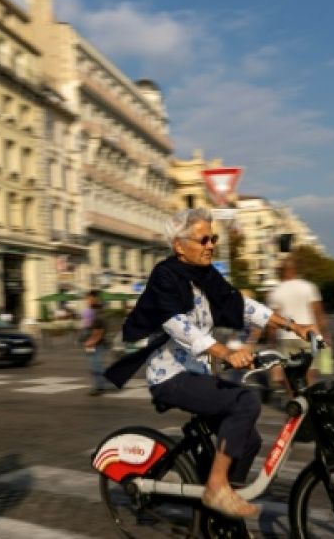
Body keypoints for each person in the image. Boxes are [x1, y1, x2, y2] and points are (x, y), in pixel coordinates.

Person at [105, 208, 318, 519]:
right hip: (170, 376)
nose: (210, 245)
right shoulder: (165, 276)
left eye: (213, 238)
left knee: (248, 440)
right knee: (245, 401)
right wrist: (225, 352)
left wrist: (292, 326)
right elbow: (177, 324)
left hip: (197, 371)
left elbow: (240, 304)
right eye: (203, 239)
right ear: (179, 245)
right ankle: (216, 486)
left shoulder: (204, 275)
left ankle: (220, 505)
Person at [266, 256, 330, 396]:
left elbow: (273, 322)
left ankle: (294, 407)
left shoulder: (276, 291)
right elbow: (319, 313)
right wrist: (325, 335)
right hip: (308, 336)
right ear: (296, 270)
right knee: (309, 374)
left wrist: (271, 344)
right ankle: (309, 405)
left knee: (290, 376)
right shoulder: (308, 287)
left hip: (286, 338)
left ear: (282, 271)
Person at [82, 290, 112, 395]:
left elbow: (99, 331)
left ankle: (100, 386)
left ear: (96, 298)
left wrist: (91, 342)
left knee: (96, 365)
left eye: (90, 298)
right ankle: (103, 384)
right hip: (95, 342)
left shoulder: (98, 312)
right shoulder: (94, 311)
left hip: (98, 343)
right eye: (88, 298)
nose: (88, 301)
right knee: (94, 364)